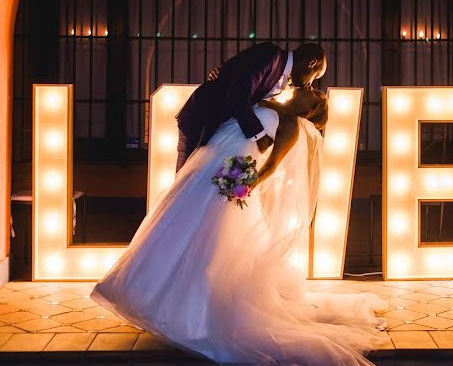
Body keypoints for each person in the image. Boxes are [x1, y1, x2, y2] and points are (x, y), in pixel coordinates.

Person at [91, 87, 388, 365]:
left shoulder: (292, 126)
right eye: (312, 89)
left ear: (309, 111)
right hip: (205, 168)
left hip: (229, 185)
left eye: (313, 98)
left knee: (211, 248)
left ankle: (195, 314)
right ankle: (158, 300)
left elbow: (270, 166)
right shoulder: (269, 97)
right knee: (179, 232)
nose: (310, 90)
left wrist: (242, 188)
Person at [174, 42, 326, 172]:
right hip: (202, 121)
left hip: (219, 136)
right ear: (311, 64)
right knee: (184, 181)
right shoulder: (271, 54)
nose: (310, 84)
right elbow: (238, 95)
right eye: (316, 76)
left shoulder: (282, 83)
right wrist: (260, 136)